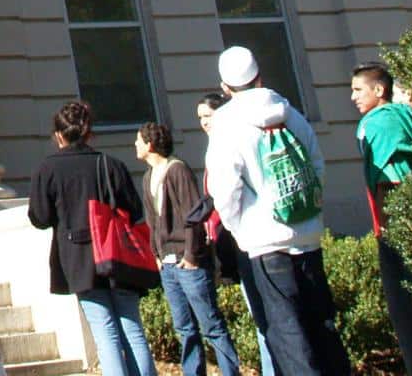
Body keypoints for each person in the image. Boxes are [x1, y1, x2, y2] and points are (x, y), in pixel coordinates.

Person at [209, 47, 351, 376]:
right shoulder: (289, 111)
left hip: (264, 242)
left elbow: (225, 188)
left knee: (288, 334)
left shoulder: (227, 123)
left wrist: (240, 230)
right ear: (260, 76)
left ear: (225, 87)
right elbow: (317, 165)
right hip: (308, 235)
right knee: (323, 326)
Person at [27, 100, 154, 376]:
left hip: (78, 258)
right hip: (119, 257)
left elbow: (39, 217)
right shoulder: (110, 164)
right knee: (132, 328)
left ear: (58, 134)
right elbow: (134, 210)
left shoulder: (48, 169)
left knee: (104, 332)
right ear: (89, 132)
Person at [350, 63, 412, 376]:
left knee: (410, 318)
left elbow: (388, 180)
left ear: (378, 90)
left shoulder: (378, 123)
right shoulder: (405, 114)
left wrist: (386, 232)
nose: (352, 97)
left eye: (358, 90)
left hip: (401, 230)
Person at [136, 121, 241, 376]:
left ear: (150, 144)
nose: (135, 146)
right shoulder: (149, 177)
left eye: (138, 141)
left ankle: (230, 371)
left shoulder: (177, 170)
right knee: (184, 328)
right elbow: (152, 221)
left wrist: (192, 255)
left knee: (211, 325)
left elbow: (192, 214)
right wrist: (157, 255)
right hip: (168, 265)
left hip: (187, 262)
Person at [198, 91, 280, 376]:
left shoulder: (232, 142)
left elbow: (229, 196)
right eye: (200, 118)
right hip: (233, 245)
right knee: (260, 316)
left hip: (247, 241)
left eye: (208, 116)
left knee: (265, 318)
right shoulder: (216, 148)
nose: (204, 123)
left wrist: (232, 227)